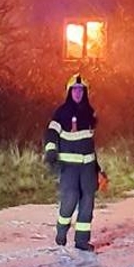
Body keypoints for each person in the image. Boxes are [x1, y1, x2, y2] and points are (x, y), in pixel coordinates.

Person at [44, 74, 100, 251]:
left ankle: (82, 241)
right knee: (70, 199)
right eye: (75, 89)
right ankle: (61, 230)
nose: (78, 93)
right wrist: (51, 152)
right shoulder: (62, 112)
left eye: (81, 90)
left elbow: (89, 143)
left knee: (87, 202)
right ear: (69, 91)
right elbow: (51, 133)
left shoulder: (89, 113)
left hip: (88, 167)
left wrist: (98, 168)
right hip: (69, 166)